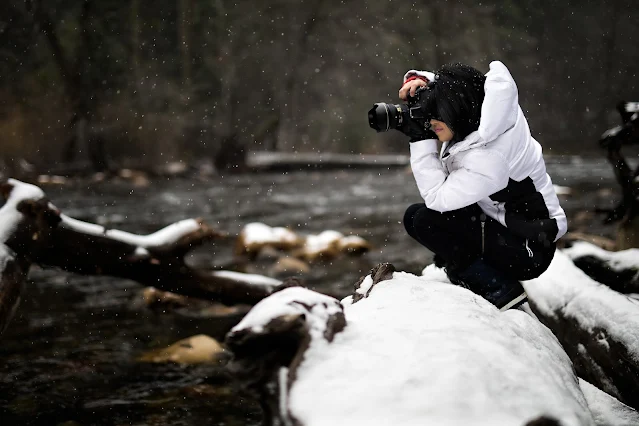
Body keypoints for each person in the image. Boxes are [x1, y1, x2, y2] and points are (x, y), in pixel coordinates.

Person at [398, 61, 567, 311]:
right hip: (509, 228)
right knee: (414, 216)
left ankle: (498, 288)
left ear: (457, 110)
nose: (430, 120)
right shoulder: (487, 115)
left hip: (528, 250)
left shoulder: (489, 157)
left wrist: (420, 140)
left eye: (436, 112)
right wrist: (422, 82)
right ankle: (471, 268)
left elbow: (437, 197)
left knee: (426, 220)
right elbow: (464, 87)